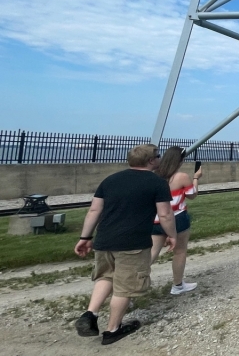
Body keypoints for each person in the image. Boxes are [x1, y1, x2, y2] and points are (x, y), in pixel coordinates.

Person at [73, 143, 176, 345]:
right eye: (158, 155)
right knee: (125, 287)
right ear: (151, 160)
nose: (159, 158)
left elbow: (94, 211)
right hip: (133, 243)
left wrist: (85, 237)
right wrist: (171, 234)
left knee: (106, 276)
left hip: (104, 240)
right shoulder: (156, 183)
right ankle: (113, 330)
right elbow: (165, 213)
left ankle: (90, 314)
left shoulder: (110, 180)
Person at [149, 146, 202, 295]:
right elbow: (192, 195)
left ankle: (131, 287)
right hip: (177, 218)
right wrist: (196, 178)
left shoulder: (154, 176)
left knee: (152, 253)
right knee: (180, 252)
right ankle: (177, 285)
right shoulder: (182, 177)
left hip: (157, 219)